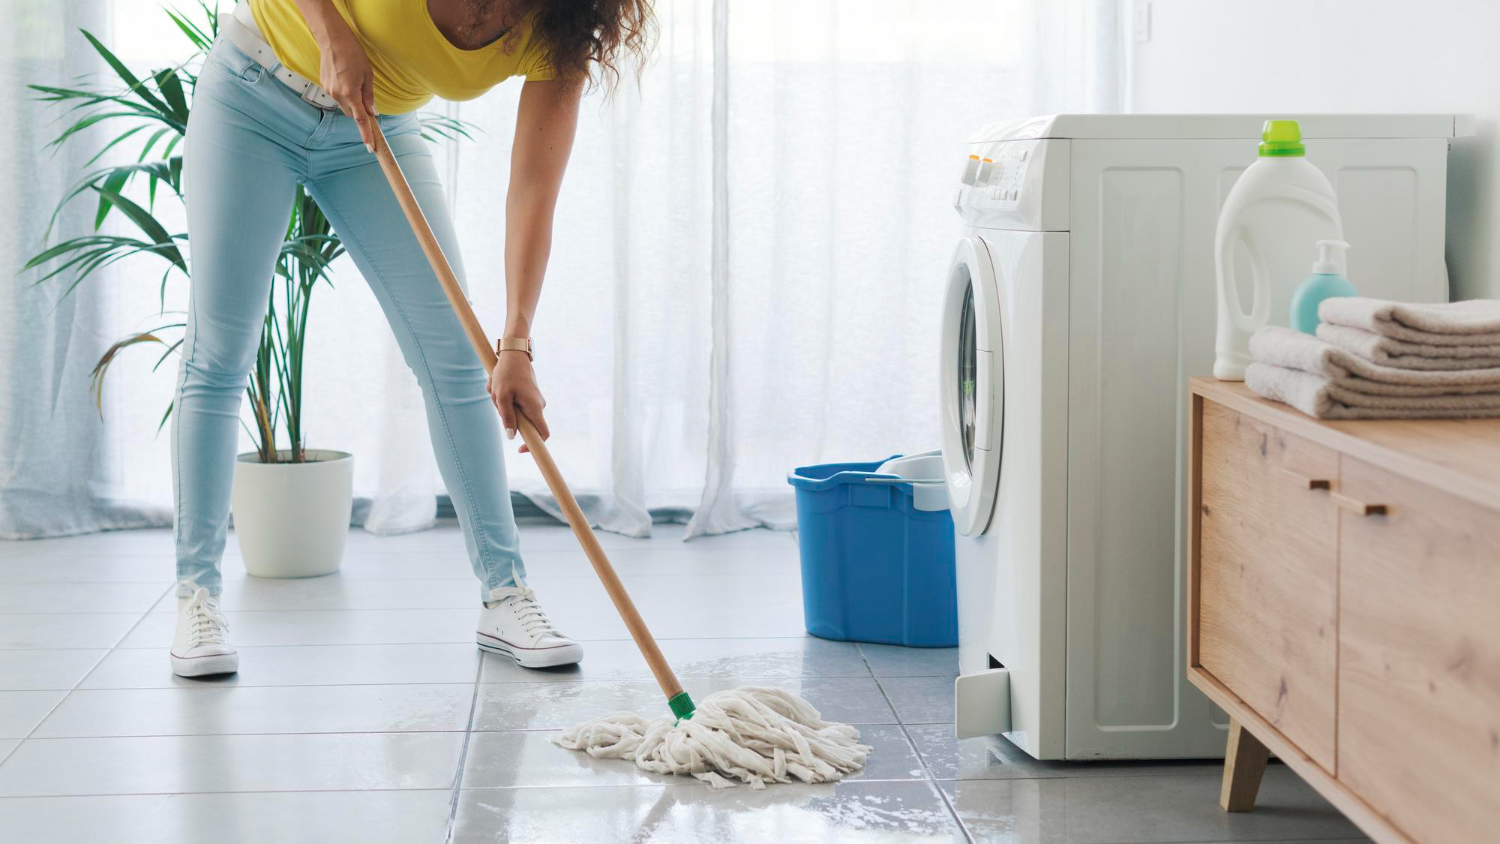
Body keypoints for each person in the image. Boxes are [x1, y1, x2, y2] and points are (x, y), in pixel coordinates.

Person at [168, 0, 654, 677]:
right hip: (253, 95)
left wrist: (516, 340)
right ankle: (196, 597)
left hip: (374, 131)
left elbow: (533, 188)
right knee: (220, 355)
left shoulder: (564, 24)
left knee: (459, 358)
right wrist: (329, 29)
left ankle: (505, 595)